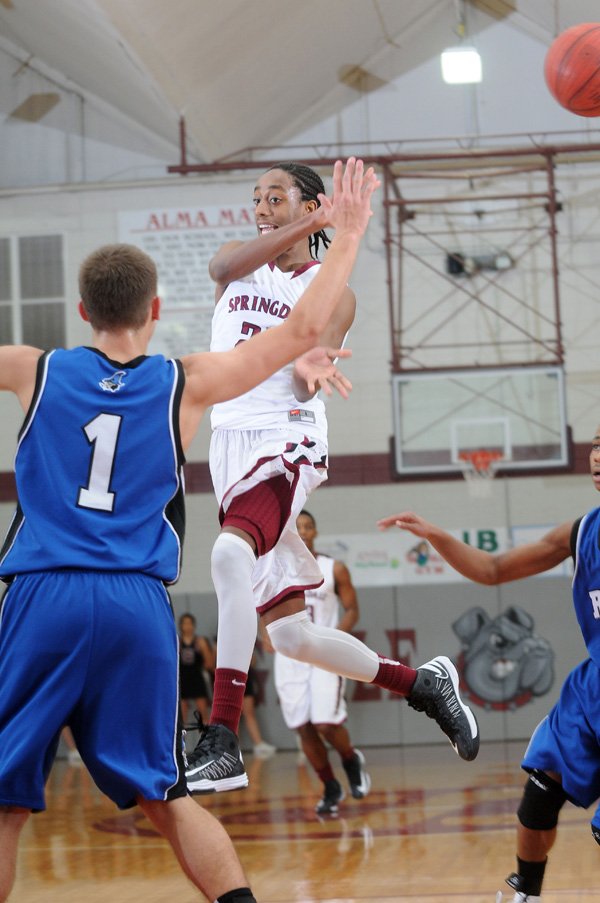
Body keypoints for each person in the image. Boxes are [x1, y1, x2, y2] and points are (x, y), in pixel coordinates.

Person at [0, 154, 377, 903]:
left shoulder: (32, 368)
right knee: (168, 795)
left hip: (44, 596)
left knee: (7, 801)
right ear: (153, 309)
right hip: (140, 605)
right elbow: (304, 324)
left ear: (82, 312)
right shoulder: (187, 381)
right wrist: (352, 230)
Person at [184, 159, 480, 796]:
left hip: (285, 438)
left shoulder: (332, 288)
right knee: (290, 635)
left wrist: (311, 362)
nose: (262, 205)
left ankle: (223, 736)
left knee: (229, 556)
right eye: (257, 195)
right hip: (231, 447)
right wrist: (318, 219)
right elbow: (219, 271)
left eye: (277, 196)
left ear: (312, 204)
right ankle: (423, 684)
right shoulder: (237, 261)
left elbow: (303, 369)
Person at [378, 429, 600, 903]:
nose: (598, 456)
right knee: (541, 789)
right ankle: (526, 895)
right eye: (597, 444)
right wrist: (435, 533)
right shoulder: (581, 533)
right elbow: (493, 570)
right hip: (593, 688)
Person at [272, 509, 370, 815]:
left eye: (308, 526)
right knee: (303, 727)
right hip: (290, 657)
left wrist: (332, 640)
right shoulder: (274, 570)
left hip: (323, 655)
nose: (302, 531)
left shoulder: (333, 568)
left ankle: (351, 761)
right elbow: (258, 609)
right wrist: (267, 636)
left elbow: (352, 610)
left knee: (326, 723)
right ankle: (329, 786)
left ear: (315, 532)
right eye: (297, 526)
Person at [178, 612, 214, 726]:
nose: (187, 626)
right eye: (185, 624)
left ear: (194, 625)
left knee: (203, 713)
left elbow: (209, 664)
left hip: (197, 678)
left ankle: (206, 740)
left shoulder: (200, 641)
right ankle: (181, 742)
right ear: (181, 626)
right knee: (181, 715)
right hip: (182, 679)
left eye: (190, 623)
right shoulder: (177, 642)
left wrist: (205, 650)